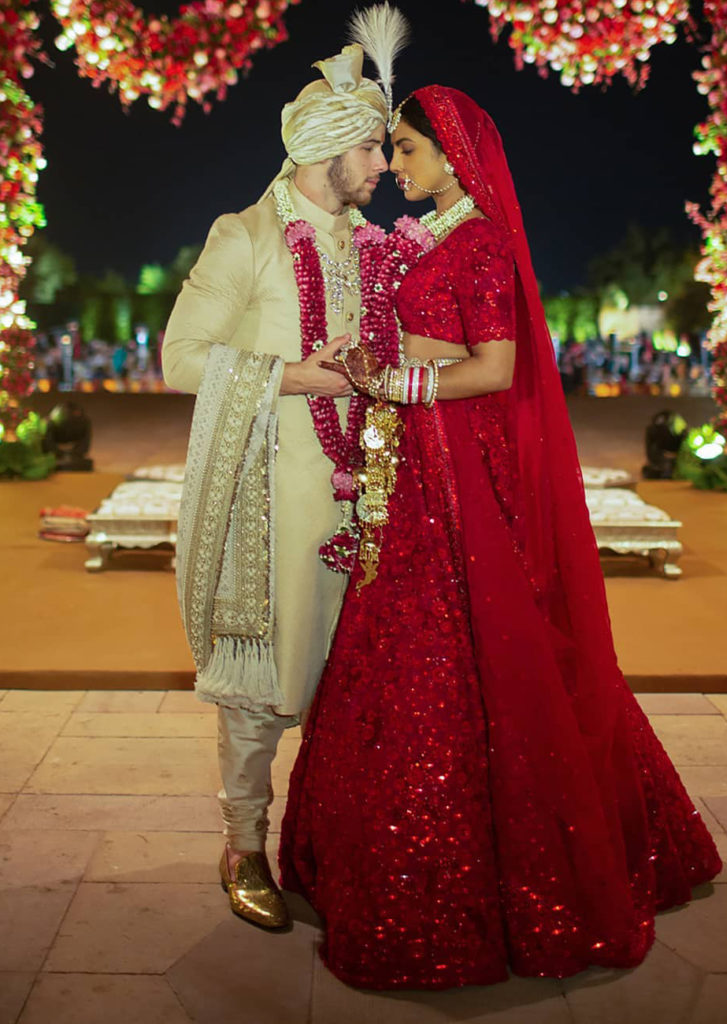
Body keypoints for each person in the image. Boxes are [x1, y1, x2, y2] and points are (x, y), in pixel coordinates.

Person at [279, 86, 721, 989]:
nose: (394, 166)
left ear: (451, 153)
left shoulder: (478, 240)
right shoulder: (434, 233)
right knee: (412, 643)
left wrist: (398, 383)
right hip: (419, 459)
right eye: (391, 151)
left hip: (453, 465)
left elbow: (497, 366)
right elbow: (426, 339)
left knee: (471, 641)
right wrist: (385, 361)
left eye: (404, 150)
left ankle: (494, 877)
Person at [160, 15, 407, 930]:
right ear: (332, 148)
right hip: (267, 496)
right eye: (375, 150)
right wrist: (303, 378)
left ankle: (327, 839)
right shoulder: (247, 237)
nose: (384, 167)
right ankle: (245, 844)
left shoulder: (368, 246)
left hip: (364, 501)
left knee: (355, 682)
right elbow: (181, 359)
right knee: (260, 688)